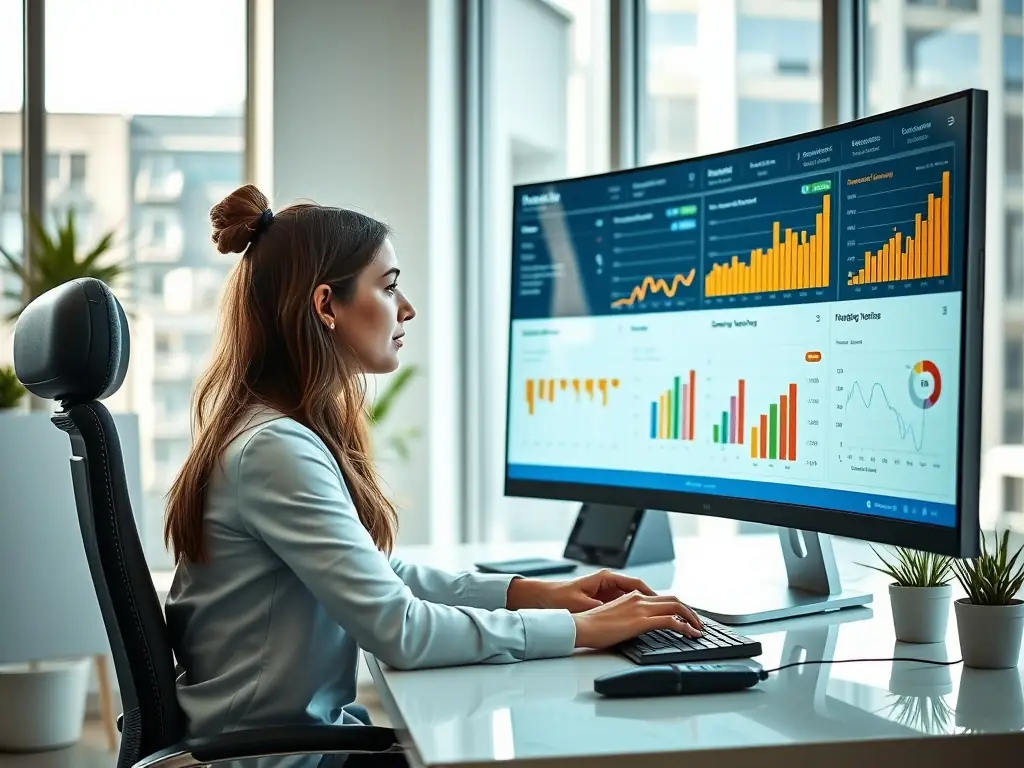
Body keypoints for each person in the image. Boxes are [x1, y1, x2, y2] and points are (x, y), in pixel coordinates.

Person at [162, 184, 703, 768]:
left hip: (287, 744)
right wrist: (580, 631)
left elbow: (376, 573)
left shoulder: (268, 430)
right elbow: (402, 630)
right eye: (389, 286)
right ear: (327, 305)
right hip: (281, 759)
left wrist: (535, 593)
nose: (407, 308)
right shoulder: (275, 448)